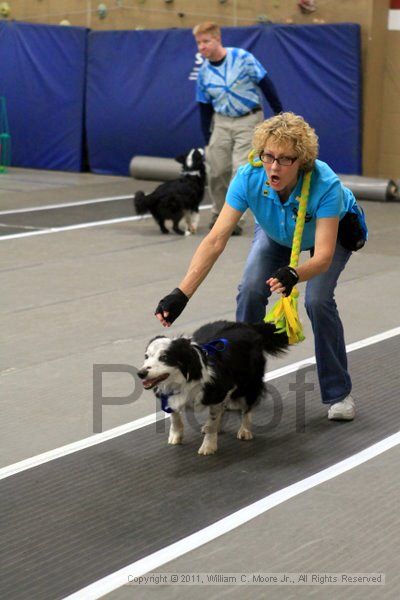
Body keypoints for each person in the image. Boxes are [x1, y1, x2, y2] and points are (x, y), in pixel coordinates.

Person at [155, 112, 368, 422]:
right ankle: (240, 380)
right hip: (276, 230)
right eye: (268, 156)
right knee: (251, 289)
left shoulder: (325, 185)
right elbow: (215, 239)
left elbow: (321, 257)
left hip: (330, 233)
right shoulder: (249, 176)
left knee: (318, 301)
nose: (273, 166)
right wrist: (181, 293)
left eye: (284, 159)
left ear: (302, 161)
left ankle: (338, 393)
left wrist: (295, 273)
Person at [193, 21, 283, 236]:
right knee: (216, 170)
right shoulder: (204, 72)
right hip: (222, 121)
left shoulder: (242, 58)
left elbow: (266, 84)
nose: (202, 47)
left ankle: (235, 220)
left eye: (206, 41)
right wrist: (208, 137)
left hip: (248, 119)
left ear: (217, 40)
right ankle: (219, 212)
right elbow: (204, 107)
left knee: (240, 170)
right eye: (198, 43)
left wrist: (279, 114)